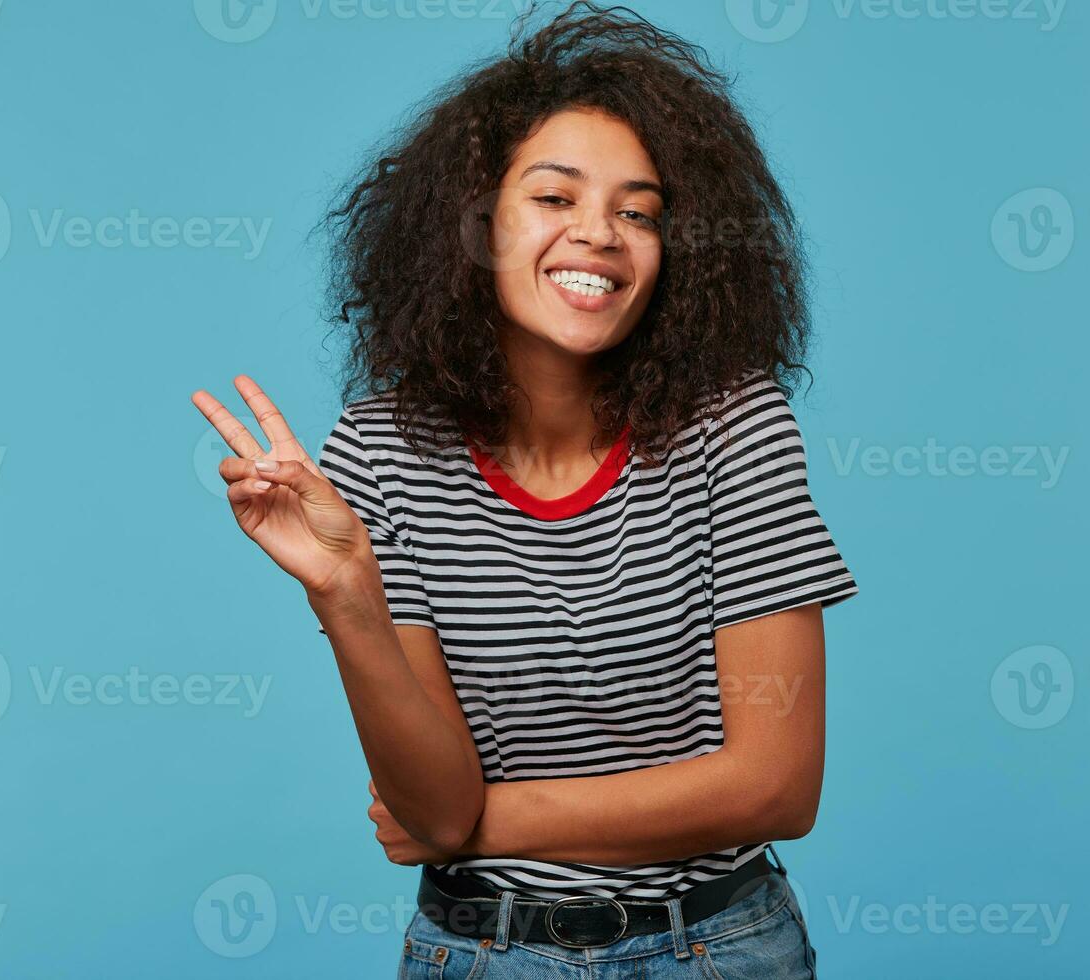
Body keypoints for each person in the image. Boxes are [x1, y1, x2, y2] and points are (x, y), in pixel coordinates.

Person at [192, 3, 856, 975]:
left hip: (716, 946)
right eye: (556, 197)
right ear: (475, 223)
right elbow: (428, 791)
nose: (601, 234)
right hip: (483, 951)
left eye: (639, 210)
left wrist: (482, 817)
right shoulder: (382, 453)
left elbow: (777, 783)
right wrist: (346, 592)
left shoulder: (732, 422)